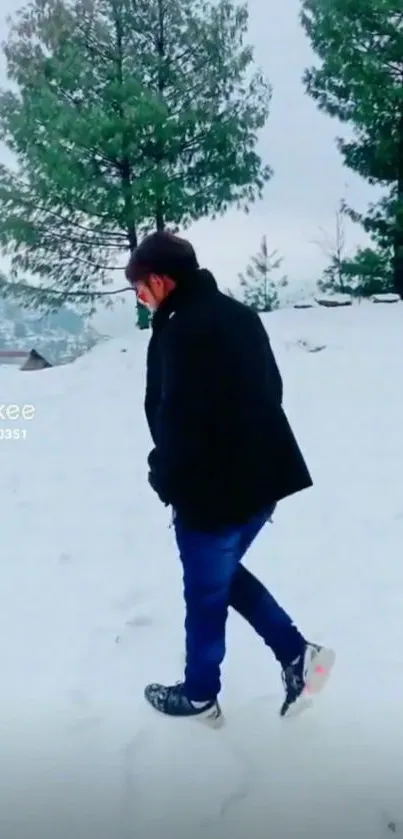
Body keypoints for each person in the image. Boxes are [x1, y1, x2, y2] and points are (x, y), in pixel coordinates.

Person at [125, 231, 335, 726]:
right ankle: (296, 655)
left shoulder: (179, 331)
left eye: (139, 286)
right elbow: (272, 390)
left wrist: (164, 477)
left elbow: (177, 418)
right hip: (262, 482)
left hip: (211, 491)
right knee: (218, 576)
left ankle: (201, 694)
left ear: (160, 280)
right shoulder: (240, 315)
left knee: (204, 593)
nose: (139, 296)